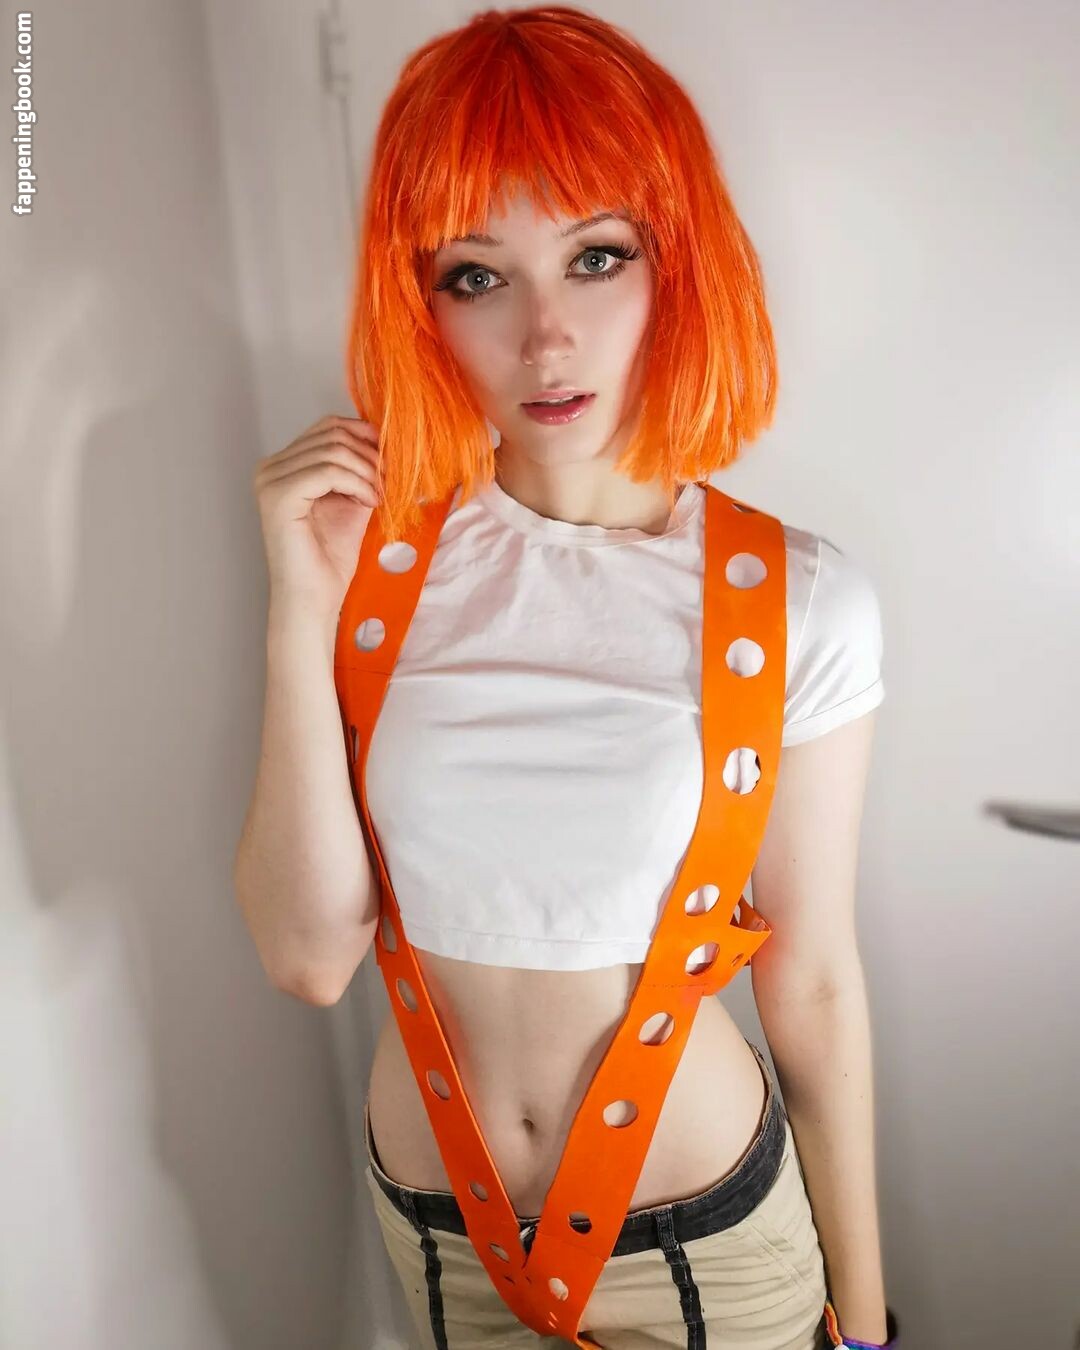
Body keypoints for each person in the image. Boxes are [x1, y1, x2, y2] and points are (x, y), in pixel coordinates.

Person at [234, 6, 899, 1348]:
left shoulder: (796, 599)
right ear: (419, 305)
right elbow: (307, 957)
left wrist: (871, 1325)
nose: (544, 337)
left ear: (678, 264)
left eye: (596, 256)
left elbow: (815, 983)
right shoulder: (374, 572)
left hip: (709, 1248)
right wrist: (299, 607)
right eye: (476, 275)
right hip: (441, 1236)